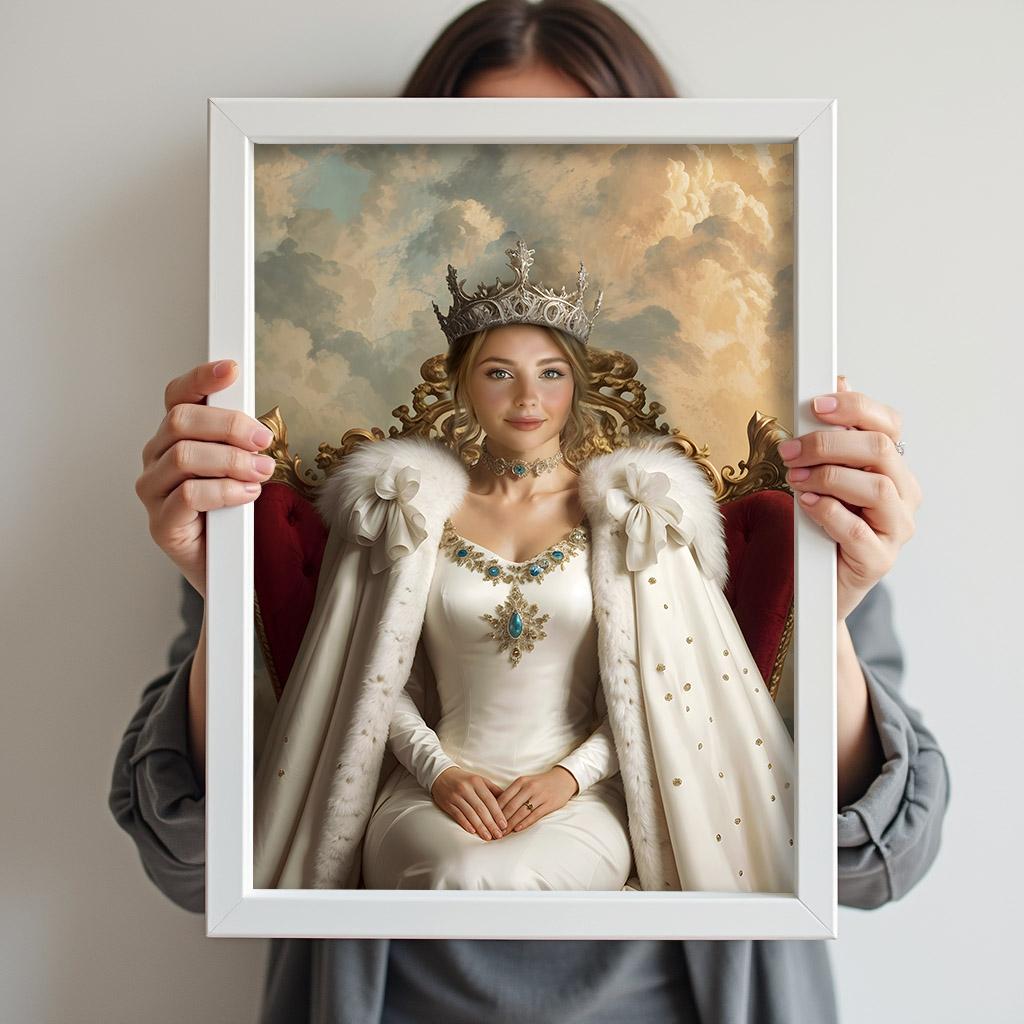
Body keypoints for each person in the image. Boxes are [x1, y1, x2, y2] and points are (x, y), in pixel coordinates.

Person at [114, 2, 951, 1022]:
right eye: (486, 173)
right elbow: (195, 867)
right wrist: (226, 590)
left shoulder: (713, 515)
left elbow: (877, 864)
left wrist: (821, 612)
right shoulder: (352, 511)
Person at [252, 239, 797, 895]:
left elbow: (661, 685)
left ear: (576, 386)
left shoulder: (632, 513)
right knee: (458, 872)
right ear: (464, 386)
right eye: (499, 373)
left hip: (580, 798)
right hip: (433, 793)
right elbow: (367, 676)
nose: (527, 396)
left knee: (515, 877)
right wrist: (438, 773)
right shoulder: (405, 510)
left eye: (551, 373)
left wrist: (568, 778)